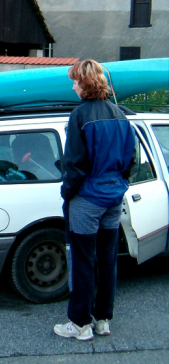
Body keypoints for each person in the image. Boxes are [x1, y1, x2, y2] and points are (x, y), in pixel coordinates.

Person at [54, 60, 135, 341]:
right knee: (107, 259)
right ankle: (103, 319)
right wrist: (120, 183)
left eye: (75, 81)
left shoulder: (79, 116)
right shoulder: (122, 115)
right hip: (113, 197)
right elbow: (130, 160)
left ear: (85, 83)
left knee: (83, 261)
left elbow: (74, 163)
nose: (73, 86)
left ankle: (79, 324)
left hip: (87, 199)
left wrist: (67, 192)